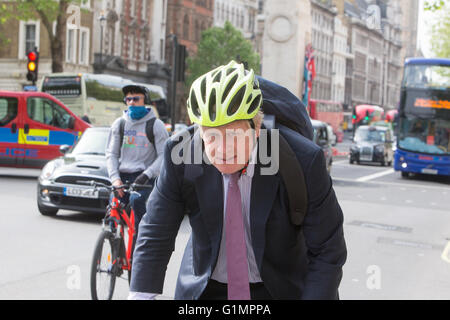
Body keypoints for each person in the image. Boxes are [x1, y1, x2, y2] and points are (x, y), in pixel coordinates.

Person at [129, 61, 347, 300]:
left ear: (256, 129)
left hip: (278, 290)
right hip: (205, 289)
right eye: (210, 135)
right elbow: (156, 230)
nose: (221, 149)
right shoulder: (180, 154)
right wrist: (140, 295)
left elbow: (327, 251)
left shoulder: (304, 160)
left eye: (233, 134)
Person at [105, 84, 169, 246]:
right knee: (113, 207)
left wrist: (147, 174)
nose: (131, 102)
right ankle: (114, 248)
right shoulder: (119, 124)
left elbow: (163, 155)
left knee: (136, 201)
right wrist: (115, 179)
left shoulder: (156, 125)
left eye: (136, 98)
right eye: (128, 99)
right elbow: (111, 154)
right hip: (122, 176)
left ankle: (141, 242)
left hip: (144, 176)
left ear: (144, 100)